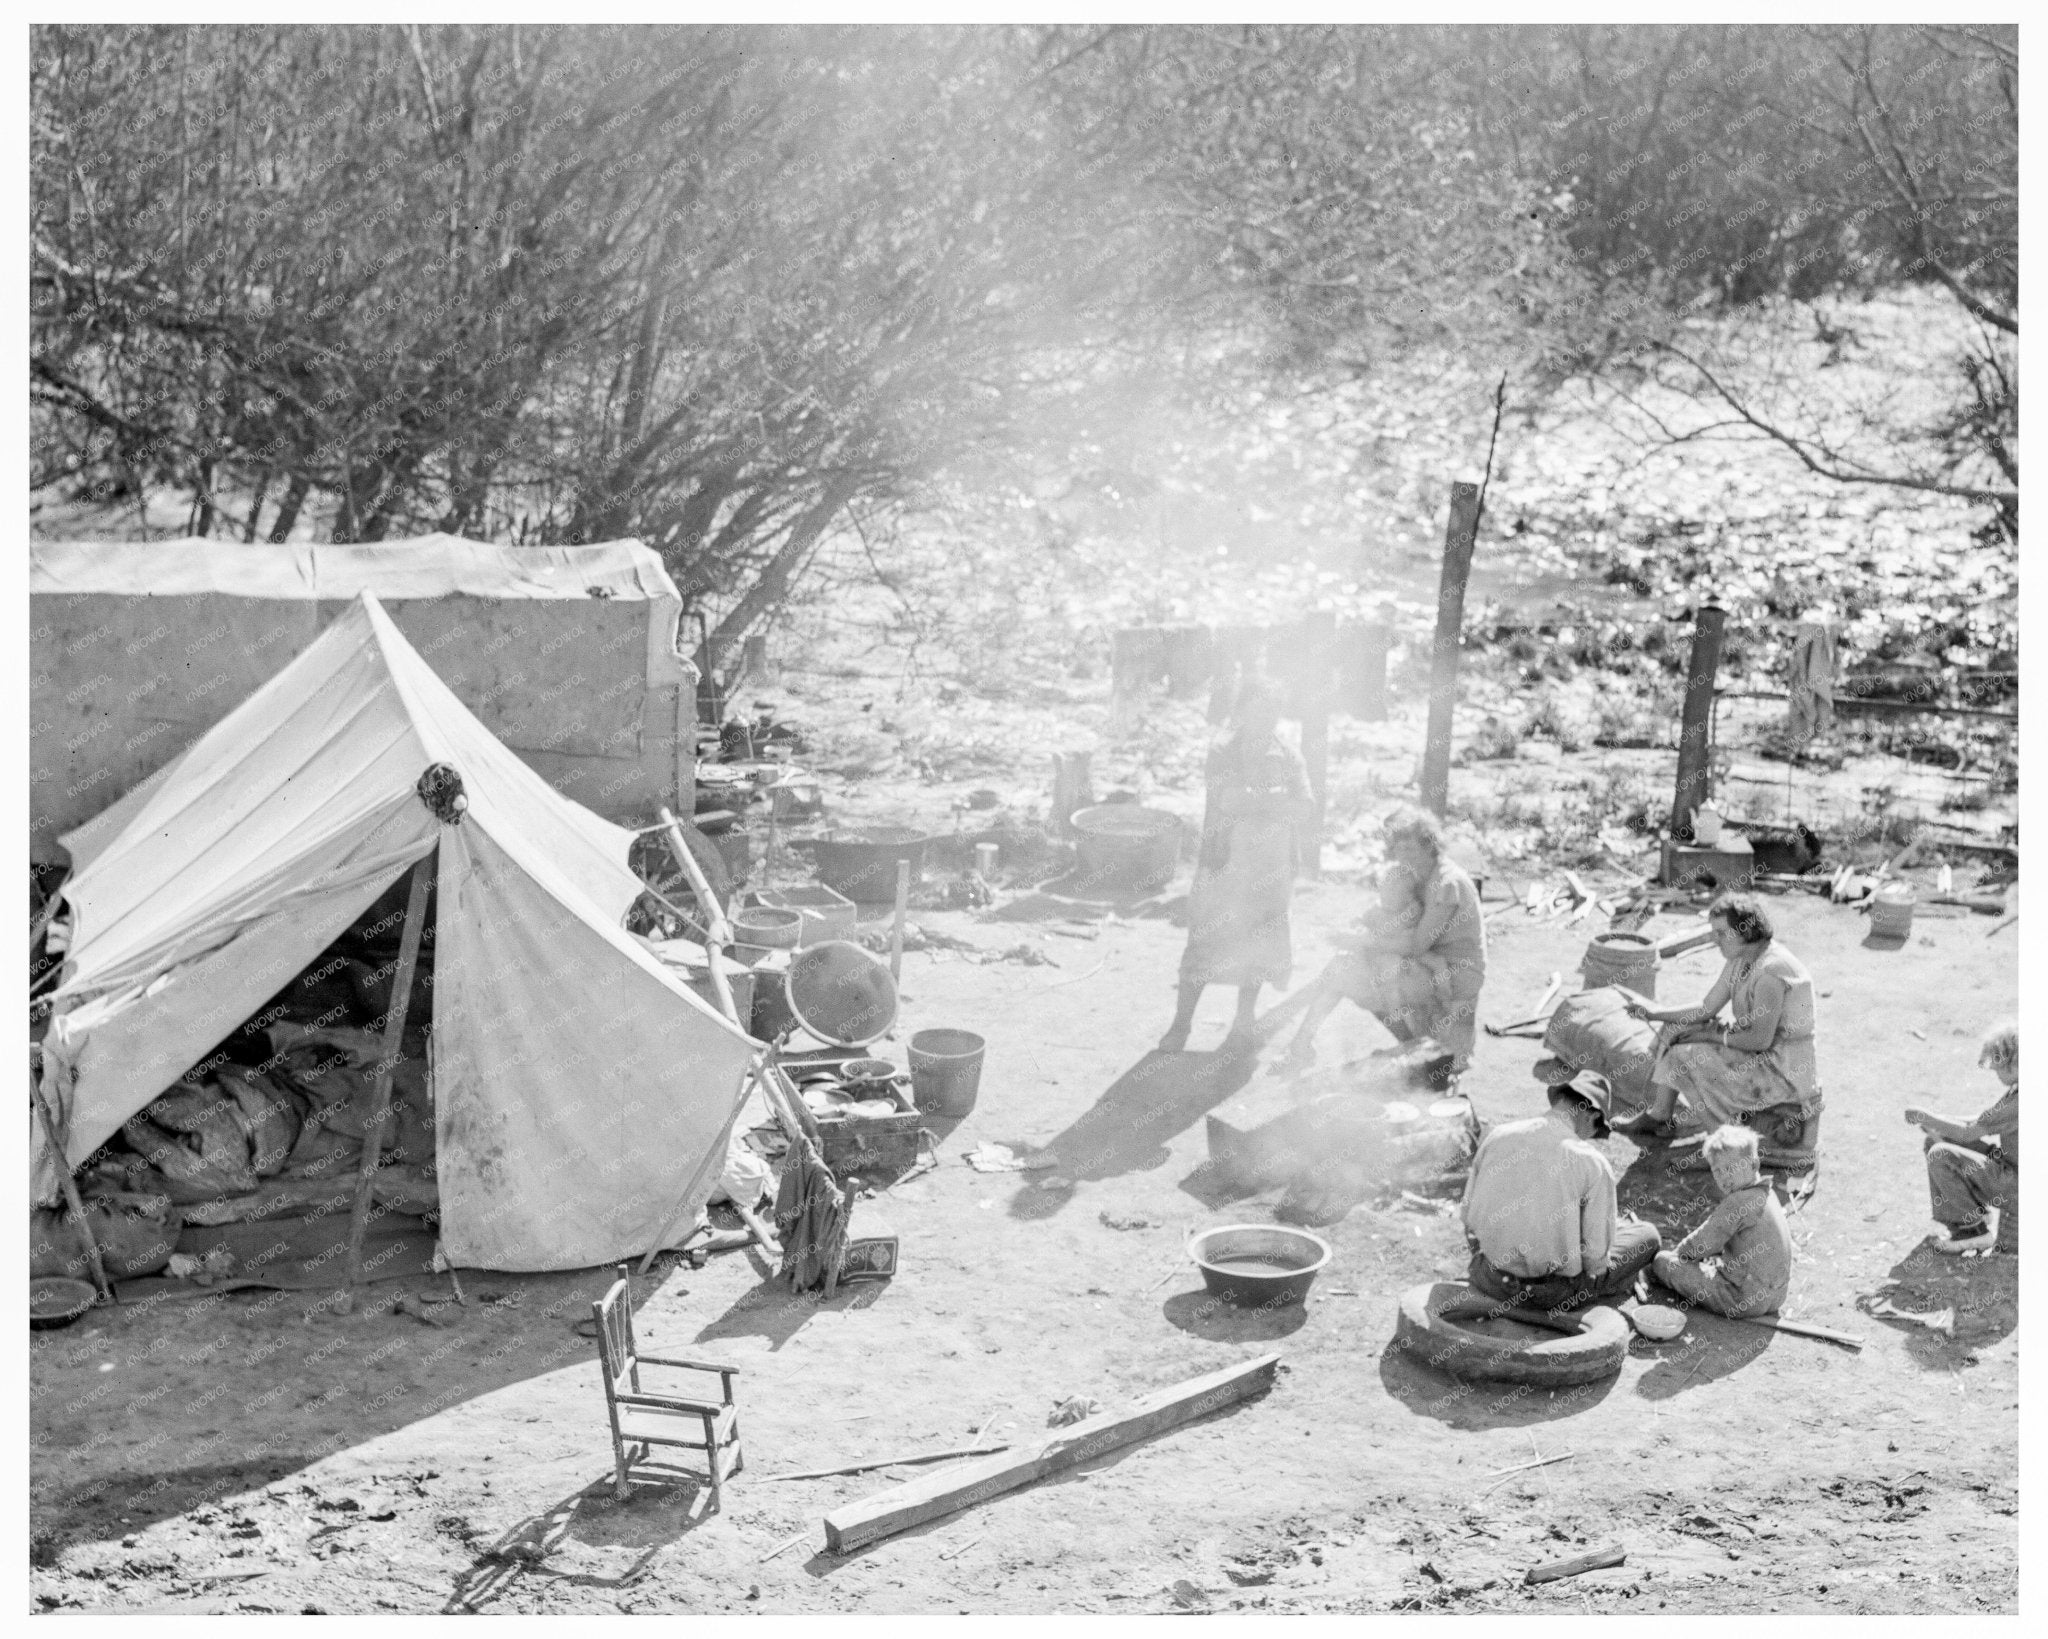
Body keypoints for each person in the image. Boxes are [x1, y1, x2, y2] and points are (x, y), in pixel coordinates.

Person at [1158, 679, 1314, 1055]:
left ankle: (1242, 1023)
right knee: (1205, 943)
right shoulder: (1223, 750)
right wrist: (1275, 800)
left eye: (1273, 709)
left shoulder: (1289, 755)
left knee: (1258, 946)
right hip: (1225, 863)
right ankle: (1181, 1025)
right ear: (1243, 710)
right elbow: (1227, 800)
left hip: (1271, 868)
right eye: (1259, 708)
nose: (1266, 717)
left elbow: (1305, 805)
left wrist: (1258, 801)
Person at [1276, 805, 1486, 1075]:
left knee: (1366, 975)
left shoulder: (1445, 882)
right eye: (1398, 848)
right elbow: (1386, 909)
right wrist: (1359, 926)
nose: (1402, 855)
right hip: (1424, 962)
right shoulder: (1415, 874)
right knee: (1346, 969)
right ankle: (1301, 1047)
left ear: (1429, 845)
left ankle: (1419, 1048)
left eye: (1410, 848)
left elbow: (1417, 945)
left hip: (1453, 971)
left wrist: (1360, 941)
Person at [1617, 892, 1821, 1157]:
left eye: (1721, 933)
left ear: (1745, 931)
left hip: (1782, 1069)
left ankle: (1725, 1146)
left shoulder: (1772, 970)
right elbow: (1706, 1008)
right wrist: (1654, 1013)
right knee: (1675, 1029)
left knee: (1686, 1055)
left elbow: (1760, 1040)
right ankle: (1660, 1117)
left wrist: (1713, 1036)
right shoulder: (1741, 960)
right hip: (1758, 1052)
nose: (1715, 940)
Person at [1461, 1070, 1661, 1312]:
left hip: (1489, 1278)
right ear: (1592, 1117)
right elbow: (1595, 1264)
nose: (1590, 1138)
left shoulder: (1497, 1136)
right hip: (1550, 1294)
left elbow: (1468, 1217)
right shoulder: (1592, 1163)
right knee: (1647, 1235)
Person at [1649, 1125, 1793, 1317]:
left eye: (1730, 1168)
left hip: (1741, 1299)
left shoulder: (1738, 1201)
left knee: (1662, 1262)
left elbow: (1701, 1243)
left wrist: (1675, 1258)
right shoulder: (1769, 1194)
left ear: (1754, 1164)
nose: (1724, 1177)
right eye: (1717, 1171)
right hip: (1776, 1297)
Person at [1906, 1021, 2018, 1255]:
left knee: (1941, 1154)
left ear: (2012, 1065)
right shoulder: (2020, 1089)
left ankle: (1973, 1232)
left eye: (1998, 1068)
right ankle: (1971, 1217)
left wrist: (1929, 1118)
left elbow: (1968, 1132)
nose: (1996, 1074)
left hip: (2016, 1184)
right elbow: (1981, 1120)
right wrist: (1938, 1121)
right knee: (1935, 1140)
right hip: (2011, 1172)